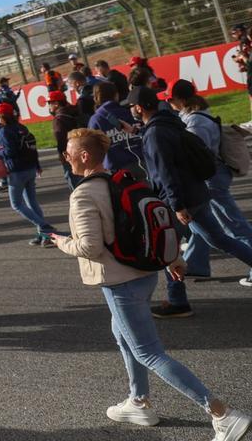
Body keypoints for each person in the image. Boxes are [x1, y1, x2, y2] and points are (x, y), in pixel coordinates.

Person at [50, 129, 250, 439]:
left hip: (120, 283)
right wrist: (172, 259)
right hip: (144, 273)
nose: (65, 156)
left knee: (149, 353)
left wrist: (62, 242)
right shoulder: (124, 181)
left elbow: (89, 246)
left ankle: (221, 413)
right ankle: (138, 401)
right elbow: (148, 224)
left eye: (68, 151)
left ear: (84, 156)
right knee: (122, 335)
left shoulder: (84, 194)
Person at [125, 86, 252, 318]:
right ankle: (178, 299)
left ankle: (178, 302)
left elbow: (166, 173)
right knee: (220, 239)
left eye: (132, 106)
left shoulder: (155, 133)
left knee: (168, 249)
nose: (130, 109)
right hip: (197, 193)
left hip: (179, 200)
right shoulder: (169, 122)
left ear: (140, 108)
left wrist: (177, 206)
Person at [167, 79, 252, 287]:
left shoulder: (195, 122)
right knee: (202, 223)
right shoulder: (195, 116)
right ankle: (196, 264)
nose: (168, 103)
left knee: (234, 226)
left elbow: (196, 156)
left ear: (180, 100)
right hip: (211, 176)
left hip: (211, 179)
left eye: (170, 99)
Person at [0, 103, 57, 246]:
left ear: (3, 116)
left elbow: (10, 152)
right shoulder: (22, 127)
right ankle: (43, 235)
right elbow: (31, 148)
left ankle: (45, 227)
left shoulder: (5, 131)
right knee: (32, 202)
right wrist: (37, 165)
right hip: (30, 168)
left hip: (17, 171)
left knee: (16, 204)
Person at [89, 80, 144, 174]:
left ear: (96, 98)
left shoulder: (96, 119)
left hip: (114, 169)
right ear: (116, 95)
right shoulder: (131, 111)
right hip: (140, 162)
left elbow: (93, 147)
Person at [49, 90, 82, 189]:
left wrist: (62, 154)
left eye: (50, 103)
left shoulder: (58, 119)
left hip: (70, 153)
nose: (49, 106)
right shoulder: (75, 111)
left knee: (74, 182)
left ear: (56, 103)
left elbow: (61, 138)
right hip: (82, 148)